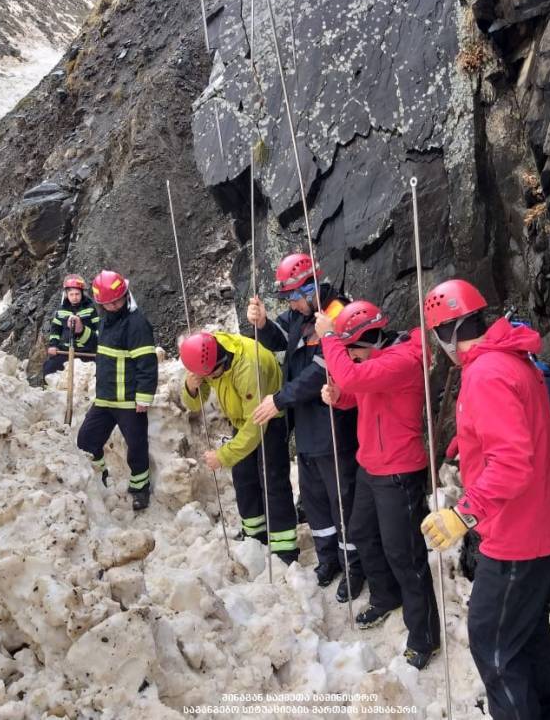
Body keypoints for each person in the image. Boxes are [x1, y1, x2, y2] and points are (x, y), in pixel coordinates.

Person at [418, 280, 550, 718]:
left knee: (493, 641)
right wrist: (467, 443)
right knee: (527, 632)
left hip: (518, 533)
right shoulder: (510, 358)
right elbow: (516, 431)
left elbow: (511, 463)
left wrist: (463, 514)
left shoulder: (485, 374)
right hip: (542, 521)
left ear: (447, 333)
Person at [315, 301, 440, 670]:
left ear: (364, 343)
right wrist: (341, 398)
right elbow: (359, 389)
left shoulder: (401, 360)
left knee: (405, 554)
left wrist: (330, 340)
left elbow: (356, 377)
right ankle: (386, 596)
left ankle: (424, 637)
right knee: (361, 532)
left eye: (351, 350)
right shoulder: (378, 361)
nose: (350, 357)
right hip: (372, 465)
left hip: (398, 471)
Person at [248, 252, 363, 601]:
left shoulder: (337, 314)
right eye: (287, 299)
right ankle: (328, 558)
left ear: (312, 286)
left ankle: (354, 564)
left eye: (295, 297)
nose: (292, 305)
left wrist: (279, 400)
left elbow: (321, 370)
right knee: (314, 500)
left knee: (342, 499)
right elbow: (280, 337)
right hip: (308, 427)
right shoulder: (302, 314)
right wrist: (264, 322)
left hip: (333, 423)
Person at [180, 330, 299, 564]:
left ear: (221, 363)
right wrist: (191, 386)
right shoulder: (204, 354)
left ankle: (284, 547)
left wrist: (223, 456)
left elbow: (255, 427)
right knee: (244, 476)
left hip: (269, 418)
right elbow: (196, 402)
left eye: (211, 375)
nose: (210, 378)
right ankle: (254, 534)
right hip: (241, 419)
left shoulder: (248, 367)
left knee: (272, 479)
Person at [76, 271, 158, 510]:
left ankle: (140, 488)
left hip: (129, 401)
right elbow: (97, 345)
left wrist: (143, 397)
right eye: (107, 303)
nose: (113, 306)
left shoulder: (137, 323)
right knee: (87, 440)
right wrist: (82, 331)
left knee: (136, 446)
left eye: (116, 300)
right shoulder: (105, 319)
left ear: (125, 294)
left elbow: (147, 364)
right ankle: (99, 479)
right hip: (104, 398)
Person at [42, 274, 99, 382]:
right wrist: (53, 345)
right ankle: (50, 395)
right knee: (49, 368)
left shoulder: (90, 309)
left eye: (77, 294)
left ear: (82, 293)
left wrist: (100, 345)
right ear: (66, 294)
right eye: (71, 294)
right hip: (65, 351)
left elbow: (98, 329)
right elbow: (55, 331)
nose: (74, 297)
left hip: (86, 352)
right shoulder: (61, 311)